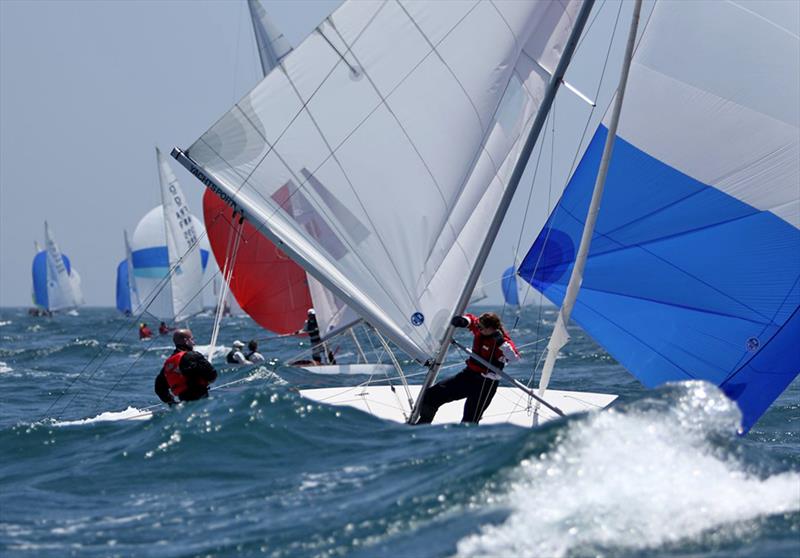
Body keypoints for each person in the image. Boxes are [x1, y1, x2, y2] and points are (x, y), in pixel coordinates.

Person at [415, 312, 519, 425]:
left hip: (485, 385)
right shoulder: (481, 330)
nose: (478, 328)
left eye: (481, 327)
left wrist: (501, 343)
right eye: (478, 326)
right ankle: (422, 426)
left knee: (469, 422)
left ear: (491, 329)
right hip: (468, 376)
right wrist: (464, 321)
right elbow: (472, 321)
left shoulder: (503, 342)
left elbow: (514, 358)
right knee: (432, 395)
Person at [154, 329, 218, 404]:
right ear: (186, 341)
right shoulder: (193, 356)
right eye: (192, 339)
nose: (193, 343)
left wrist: (172, 403)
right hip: (200, 400)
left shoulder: (169, 364)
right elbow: (212, 375)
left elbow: (159, 388)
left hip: (184, 402)